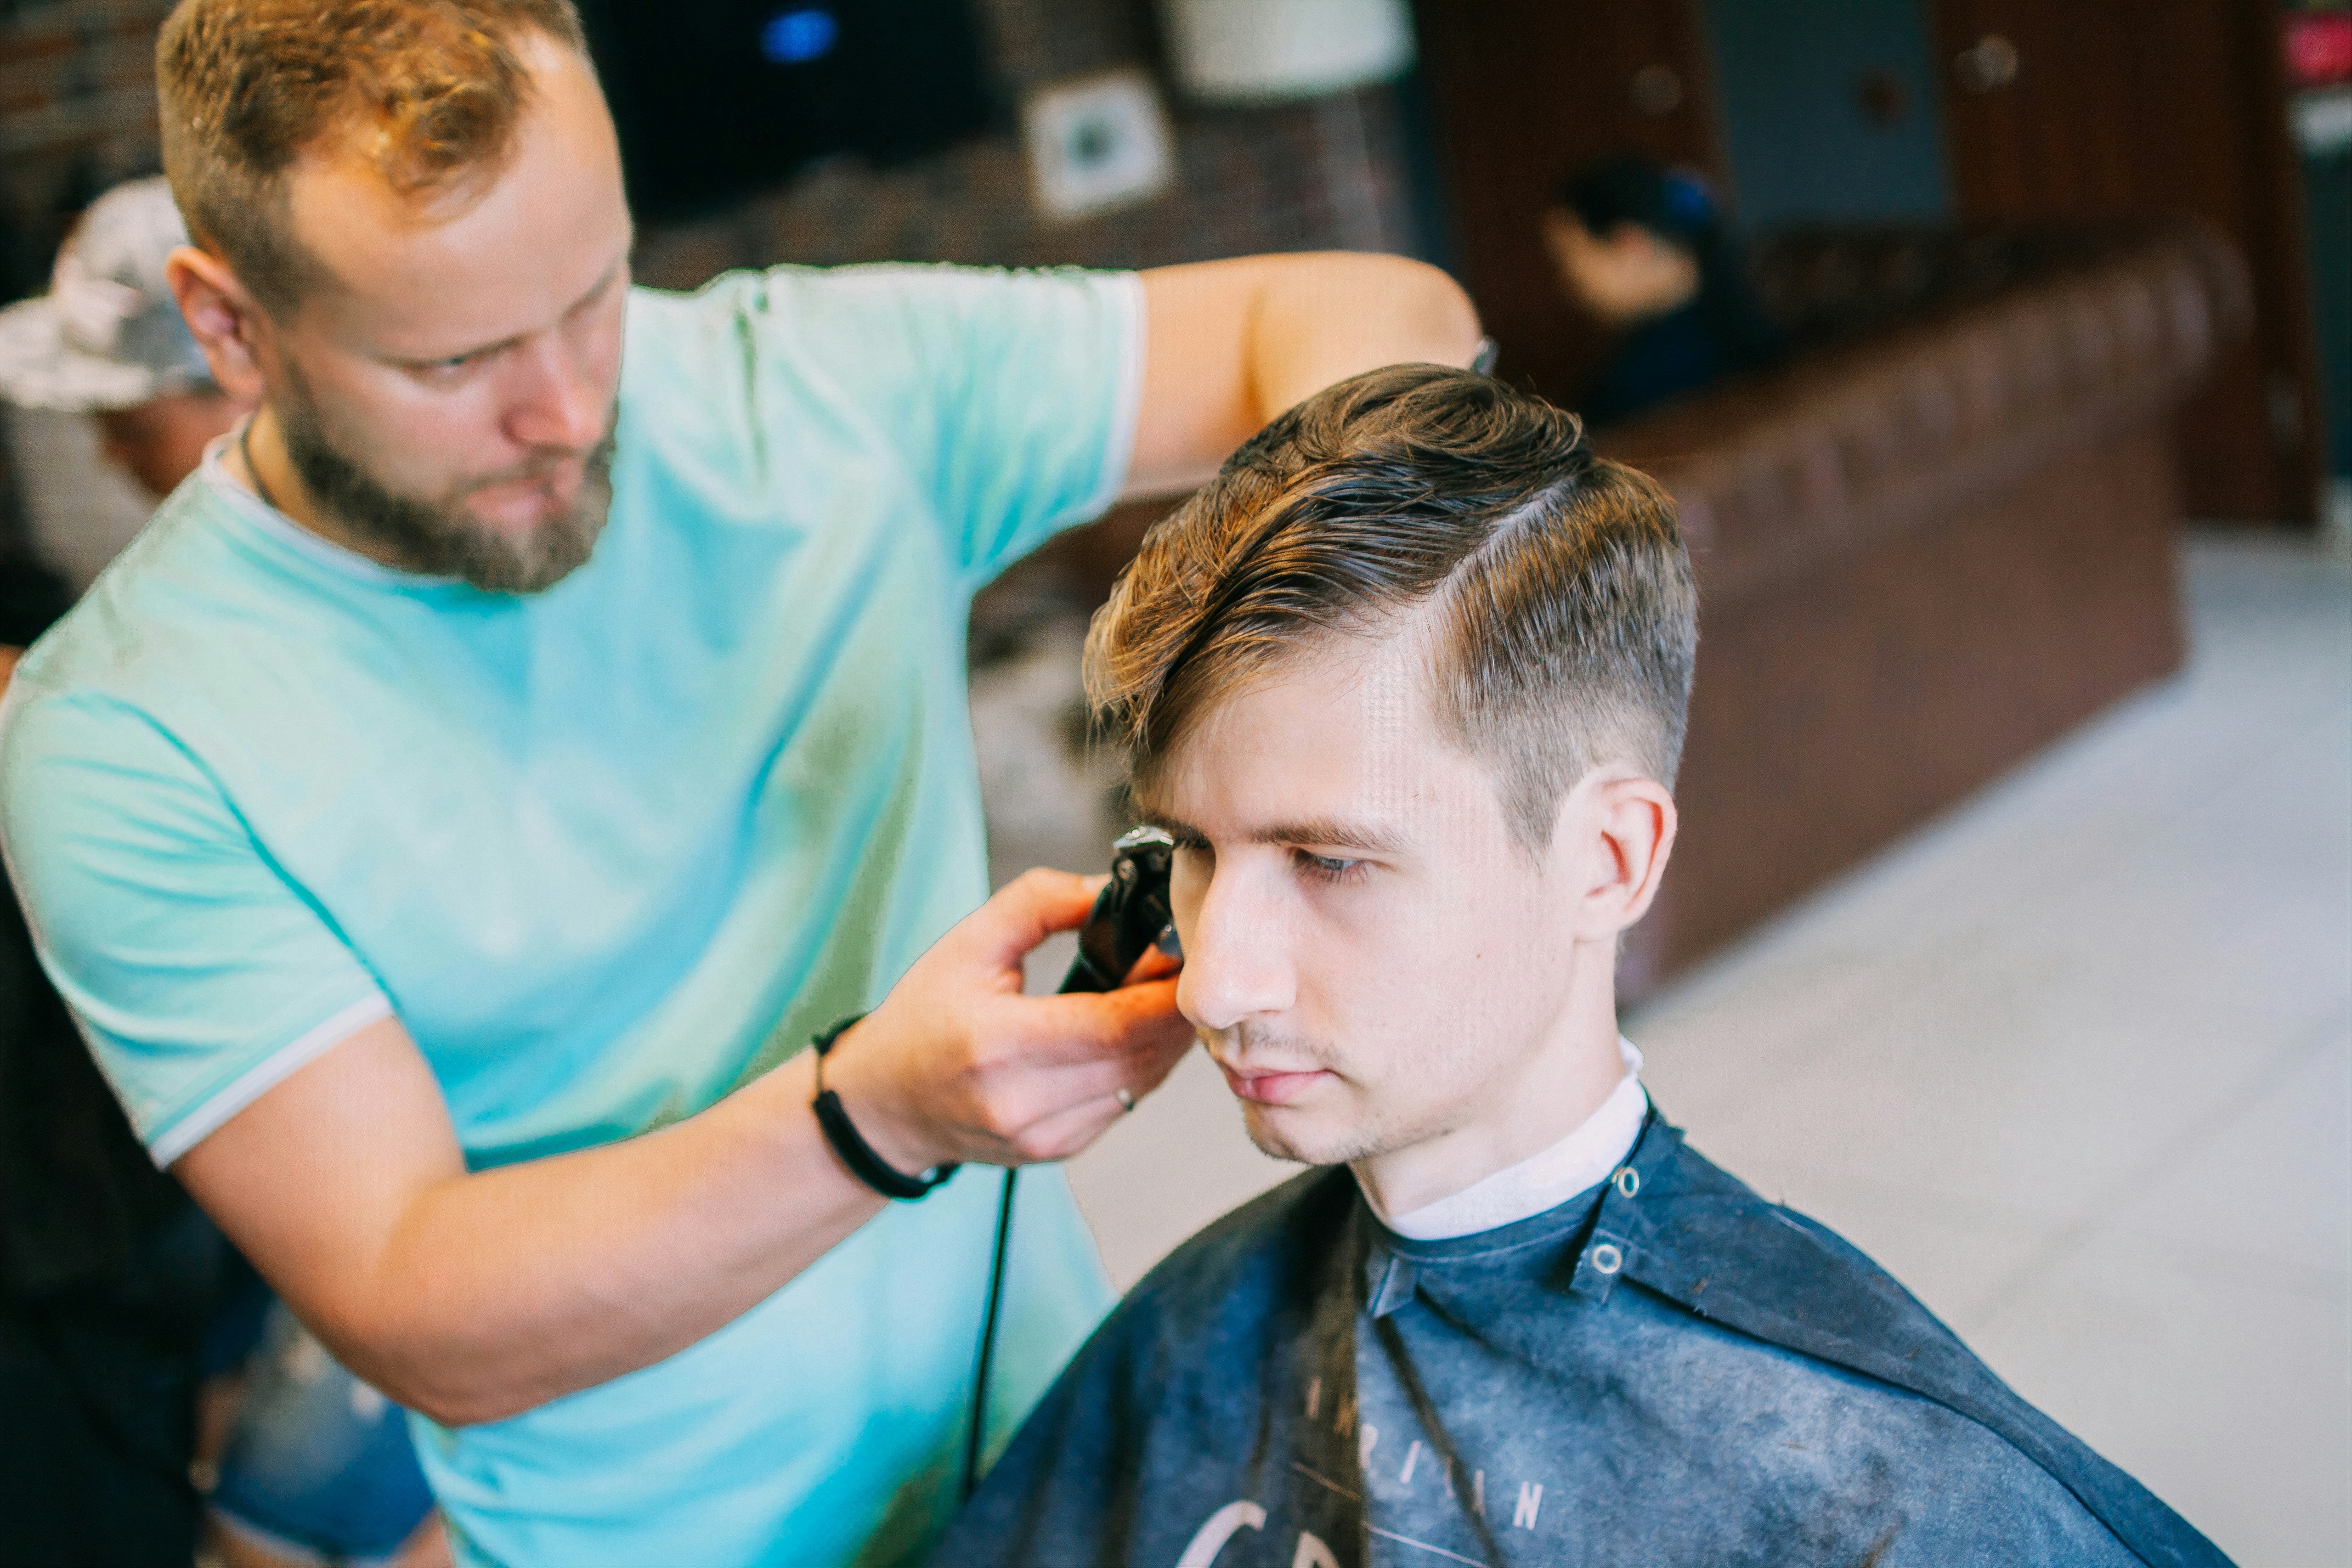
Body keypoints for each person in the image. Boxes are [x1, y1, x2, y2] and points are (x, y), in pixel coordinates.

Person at [0, 1, 1481, 1563]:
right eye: (454, 359)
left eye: (595, 294)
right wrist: (873, 1114)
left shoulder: (806, 387)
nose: (569, 410)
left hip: (1058, 1458)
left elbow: (1377, 308)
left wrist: (1323, 631)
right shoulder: (127, 735)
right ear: (227, 325)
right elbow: (411, 1299)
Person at [928, 364, 2230, 1568]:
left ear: (1606, 859)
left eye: (1328, 860)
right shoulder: (1197, 1329)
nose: (1212, 981)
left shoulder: (1894, 1489)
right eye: (1192, 850)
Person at [0, 177, 445, 1568]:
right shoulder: (188, 606)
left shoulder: (346, 589)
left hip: (429, 1154)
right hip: (258, 1178)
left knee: (277, 1528)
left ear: (227, 371)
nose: (107, 450)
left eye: (124, 414)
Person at [1541, 154, 1782, 426]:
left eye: (1569, 260)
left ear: (1631, 247)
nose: (1569, 283)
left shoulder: (1643, 380)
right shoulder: (1756, 308)